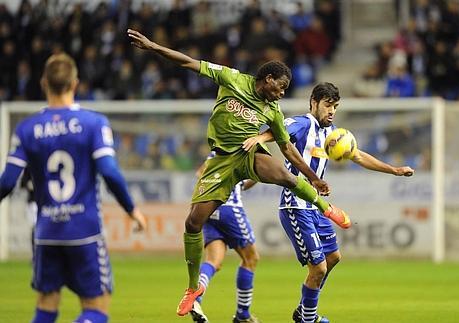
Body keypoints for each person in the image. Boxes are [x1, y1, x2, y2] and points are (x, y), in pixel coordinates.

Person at [127, 29, 350, 319]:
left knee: (284, 175)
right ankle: (193, 288)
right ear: (268, 79)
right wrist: (154, 46)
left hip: (247, 156)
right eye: (280, 87)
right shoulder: (232, 79)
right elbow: (188, 62)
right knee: (193, 223)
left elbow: (288, 150)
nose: (282, 93)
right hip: (220, 163)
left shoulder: (273, 111)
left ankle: (326, 208)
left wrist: (314, 178)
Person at [248, 83, 414, 323]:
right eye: (327, 105)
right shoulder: (303, 123)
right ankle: (308, 318)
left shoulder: (333, 134)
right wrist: (259, 137)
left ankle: (304, 309)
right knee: (319, 268)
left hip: (315, 207)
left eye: (335, 106)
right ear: (313, 103)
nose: (332, 111)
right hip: (295, 205)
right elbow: (279, 130)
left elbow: (358, 155)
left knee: (333, 258)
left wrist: (394, 170)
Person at [0, 53, 147, 323]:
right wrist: (131, 209)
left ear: (44, 83)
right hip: (85, 231)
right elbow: (110, 172)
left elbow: (8, 181)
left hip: (46, 232)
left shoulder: (26, 129)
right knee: (97, 308)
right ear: (75, 83)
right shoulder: (94, 124)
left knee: (46, 305)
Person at [190, 152, 260, 323]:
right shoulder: (241, 150)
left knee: (213, 261)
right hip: (230, 208)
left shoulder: (214, 154)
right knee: (251, 258)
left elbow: (200, 175)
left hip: (207, 209)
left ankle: (195, 301)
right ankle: (243, 315)